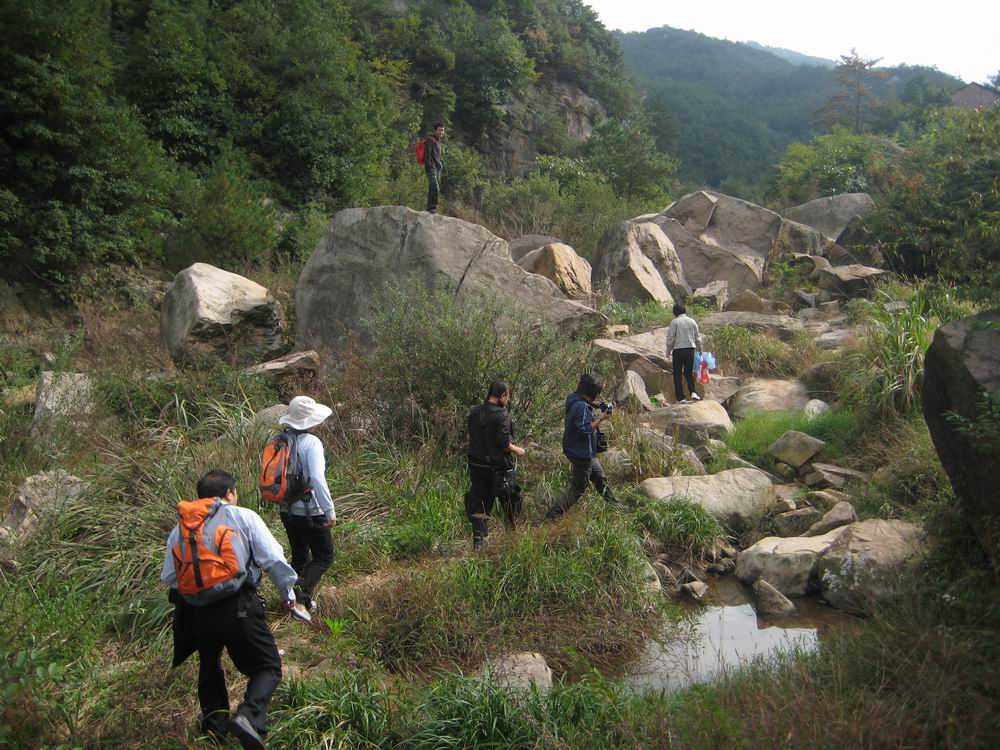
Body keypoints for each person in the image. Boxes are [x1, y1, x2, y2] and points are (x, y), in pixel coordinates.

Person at [161, 469, 299, 750]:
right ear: (229, 494)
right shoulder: (243, 516)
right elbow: (273, 560)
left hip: (199, 612)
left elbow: (170, 578)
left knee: (210, 668)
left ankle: (215, 730)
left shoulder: (181, 529)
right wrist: (288, 595)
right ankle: (249, 717)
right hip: (239, 607)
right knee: (268, 665)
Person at [276, 396, 337, 613]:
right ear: (311, 421)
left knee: (300, 555)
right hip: (310, 511)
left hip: (286, 509)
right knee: (324, 556)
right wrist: (329, 511)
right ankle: (301, 598)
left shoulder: (280, 440)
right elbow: (317, 479)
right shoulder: (311, 443)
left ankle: (289, 598)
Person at [544, 373, 616, 519]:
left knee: (600, 476)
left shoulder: (573, 398)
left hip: (575, 448)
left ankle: (614, 505)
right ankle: (553, 515)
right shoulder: (582, 407)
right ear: (594, 393)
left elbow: (585, 404)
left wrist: (599, 406)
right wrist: (602, 418)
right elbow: (586, 429)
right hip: (580, 452)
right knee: (578, 488)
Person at [465, 381, 526, 550]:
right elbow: (504, 442)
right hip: (499, 469)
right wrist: (518, 450)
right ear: (503, 396)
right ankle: (511, 539)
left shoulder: (475, 412)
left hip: (477, 467)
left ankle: (479, 544)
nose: (507, 400)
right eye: (507, 396)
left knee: (480, 506)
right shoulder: (502, 415)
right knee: (512, 501)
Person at [664, 302, 703, 403]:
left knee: (677, 373)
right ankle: (693, 392)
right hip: (690, 350)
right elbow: (698, 338)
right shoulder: (692, 321)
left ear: (675, 312)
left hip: (678, 350)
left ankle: (681, 398)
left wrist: (668, 350)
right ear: (684, 310)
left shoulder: (675, 322)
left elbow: (671, 338)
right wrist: (700, 350)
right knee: (688, 373)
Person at [424, 122, 445, 213]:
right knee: (435, 188)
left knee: (432, 188)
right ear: (435, 130)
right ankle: (433, 207)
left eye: (443, 130)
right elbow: (427, 154)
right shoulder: (430, 139)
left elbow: (437, 156)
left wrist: (439, 165)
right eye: (439, 130)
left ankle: (430, 207)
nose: (441, 132)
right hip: (431, 167)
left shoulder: (439, 141)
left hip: (437, 168)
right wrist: (429, 165)